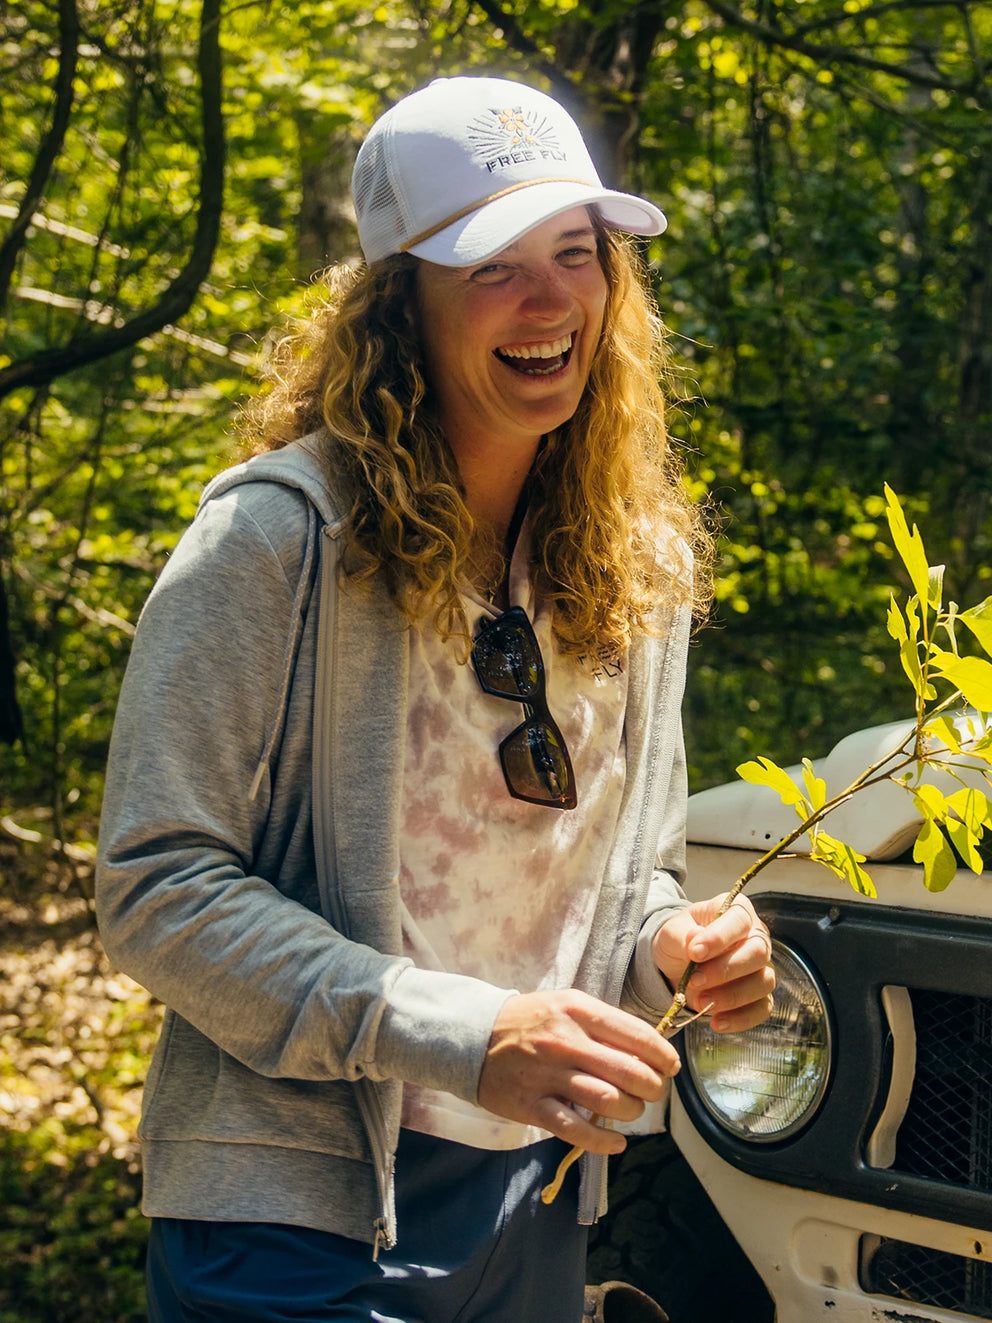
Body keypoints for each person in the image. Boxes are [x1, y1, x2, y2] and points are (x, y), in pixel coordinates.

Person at [95, 75, 775, 1323]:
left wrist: (675, 945)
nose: (550, 299)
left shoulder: (640, 565)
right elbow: (153, 888)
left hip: (538, 1190)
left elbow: (628, 879)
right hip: (291, 1224)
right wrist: (466, 1035)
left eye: (576, 253)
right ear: (397, 303)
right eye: (492, 266)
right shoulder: (274, 541)